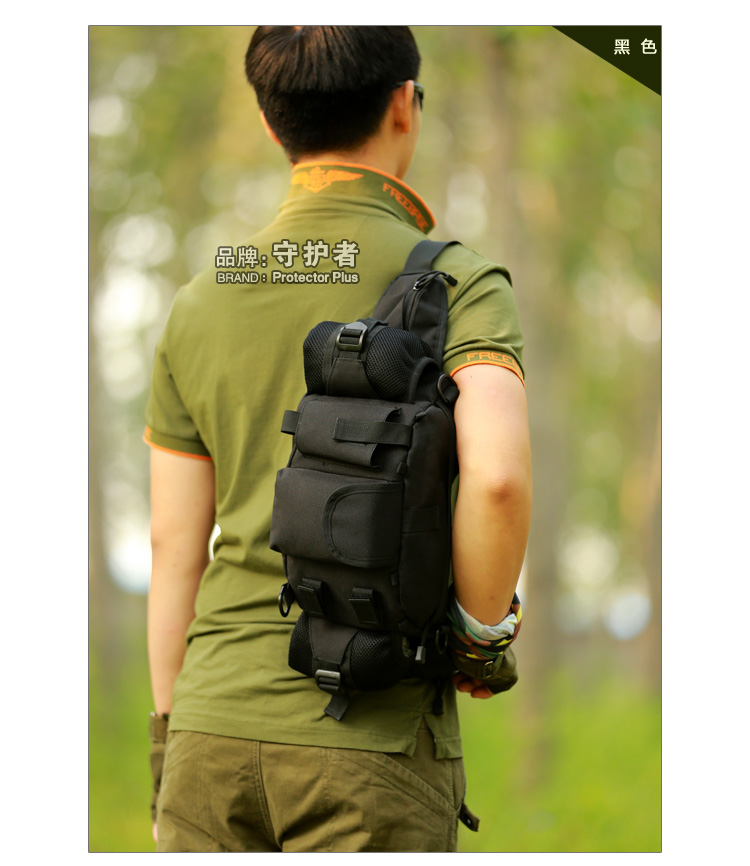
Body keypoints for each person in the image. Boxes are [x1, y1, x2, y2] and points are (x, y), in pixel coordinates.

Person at [145, 25, 532, 853]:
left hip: (207, 737)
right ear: (403, 104)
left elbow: (173, 546)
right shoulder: (458, 281)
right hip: (370, 741)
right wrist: (480, 643)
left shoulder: (201, 298)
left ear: (269, 120)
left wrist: (167, 748)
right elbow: (498, 478)